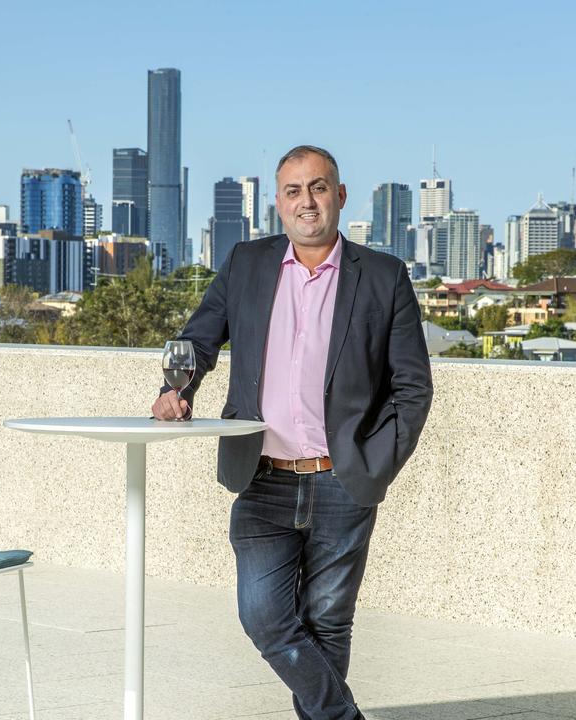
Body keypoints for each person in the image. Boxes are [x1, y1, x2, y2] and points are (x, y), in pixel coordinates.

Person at [151, 145, 433, 719]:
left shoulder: (382, 276)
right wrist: (178, 388)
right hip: (261, 477)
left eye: (320, 187)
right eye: (294, 191)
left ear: (341, 196)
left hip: (342, 479)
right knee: (264, 616)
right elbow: (200, 338)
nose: (308, 201)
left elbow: (413, 386)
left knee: (329, 622)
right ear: (277, 204)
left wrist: (375, 465)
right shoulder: (246, 263)